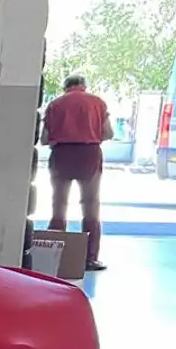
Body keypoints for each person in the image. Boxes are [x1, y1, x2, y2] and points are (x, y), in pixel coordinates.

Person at [41, 75, 114, 272]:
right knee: (90, 205)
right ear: (83, 86)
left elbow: (45, 139)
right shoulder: (97, 102)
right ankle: (90, 258)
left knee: (59, 204)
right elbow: (108, 133)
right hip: (89, 155)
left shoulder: (55, 104)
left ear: (66, 87)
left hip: (61, 155)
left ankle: (53, 253)